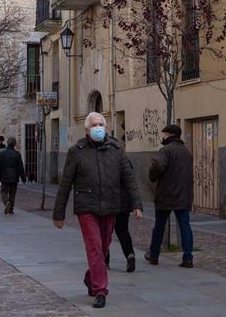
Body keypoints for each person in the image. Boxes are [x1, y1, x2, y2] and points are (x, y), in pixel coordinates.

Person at [53, 112, 142, 309]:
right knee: (94, 247)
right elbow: (65, 184)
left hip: (111, 205)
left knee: (103, 248)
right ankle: (100, 290)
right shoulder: (77, 151)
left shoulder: (116, 149)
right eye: (94, 124)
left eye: (101, 124)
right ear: (86, 129)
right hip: (87, 206)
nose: (98, 127)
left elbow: (129, 178)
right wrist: (58, 214)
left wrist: (136, 204)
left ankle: (90, 277)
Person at [145, 124, 194, 269]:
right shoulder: (186, 151)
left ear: (169, 135)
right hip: (183, 195)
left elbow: (157, 166)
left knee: (159, 226)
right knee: (185, 225)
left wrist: (153, 176)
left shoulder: (165, 150)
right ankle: (188, 258)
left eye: (164, 134)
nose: (163, 136)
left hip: (165, 194)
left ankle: (154, 255)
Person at [105, 157, 137, 273]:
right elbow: (131, 182)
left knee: (105, 231)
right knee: (123, 230)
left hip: (107, 201)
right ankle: (130, 254)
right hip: (123, 201)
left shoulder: (103, 159)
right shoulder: (124, 160)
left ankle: (105, 260)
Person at [0, 137, 26, 215]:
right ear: (14, 144)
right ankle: (11, 209)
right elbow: (20, 167)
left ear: (7, 143)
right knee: (12, 193)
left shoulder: (2, 153)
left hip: (4, 175)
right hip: (14, 176)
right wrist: (23, 178)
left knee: (3, 191)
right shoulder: (17, 154)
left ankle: (6, 202)